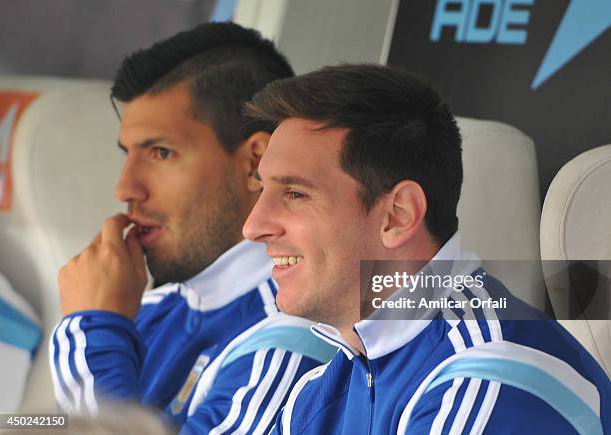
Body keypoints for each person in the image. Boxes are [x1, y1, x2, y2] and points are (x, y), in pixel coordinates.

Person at [242, 64, 610, 434]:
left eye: (294, 194)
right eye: (263, 191)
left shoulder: (490, 381)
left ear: (398, 216)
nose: (254, 226)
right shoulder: (322, 391)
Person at [49, 22, 335, 434]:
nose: (125, 187)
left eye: (161, 152)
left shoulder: (297, 331)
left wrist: (89, 332)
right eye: (129, 154)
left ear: (258, 162)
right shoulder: (138, 311)